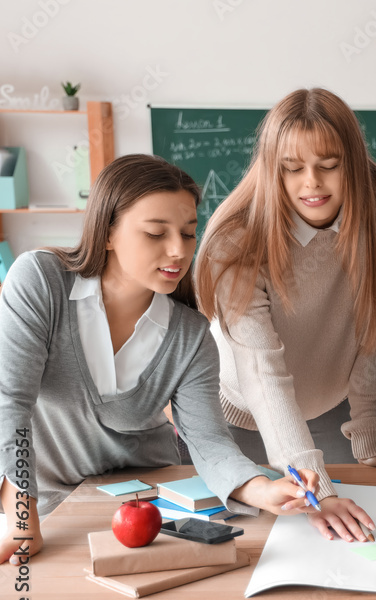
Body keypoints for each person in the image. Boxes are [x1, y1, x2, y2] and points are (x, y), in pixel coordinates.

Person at [0, 154, 342, 565]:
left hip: (153, 505)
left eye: (188, 233)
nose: (178, 251)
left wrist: (262, 490)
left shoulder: (191, 334)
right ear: (107, 232)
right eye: (155, 233)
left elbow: (209, 442)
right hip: (48, 505)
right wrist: (22, 522)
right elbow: (10, 403)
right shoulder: (40, 281)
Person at [196, 88, 376, 538]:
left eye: (329, 166)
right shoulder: (234, 241)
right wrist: (313, 481)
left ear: (352, 162)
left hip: (330, 410)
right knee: (250, 545)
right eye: (291, 169)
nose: (311, 182)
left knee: (339, 535)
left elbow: (373, 329)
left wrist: (370, 434)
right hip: (238, 416)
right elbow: (261, 374)